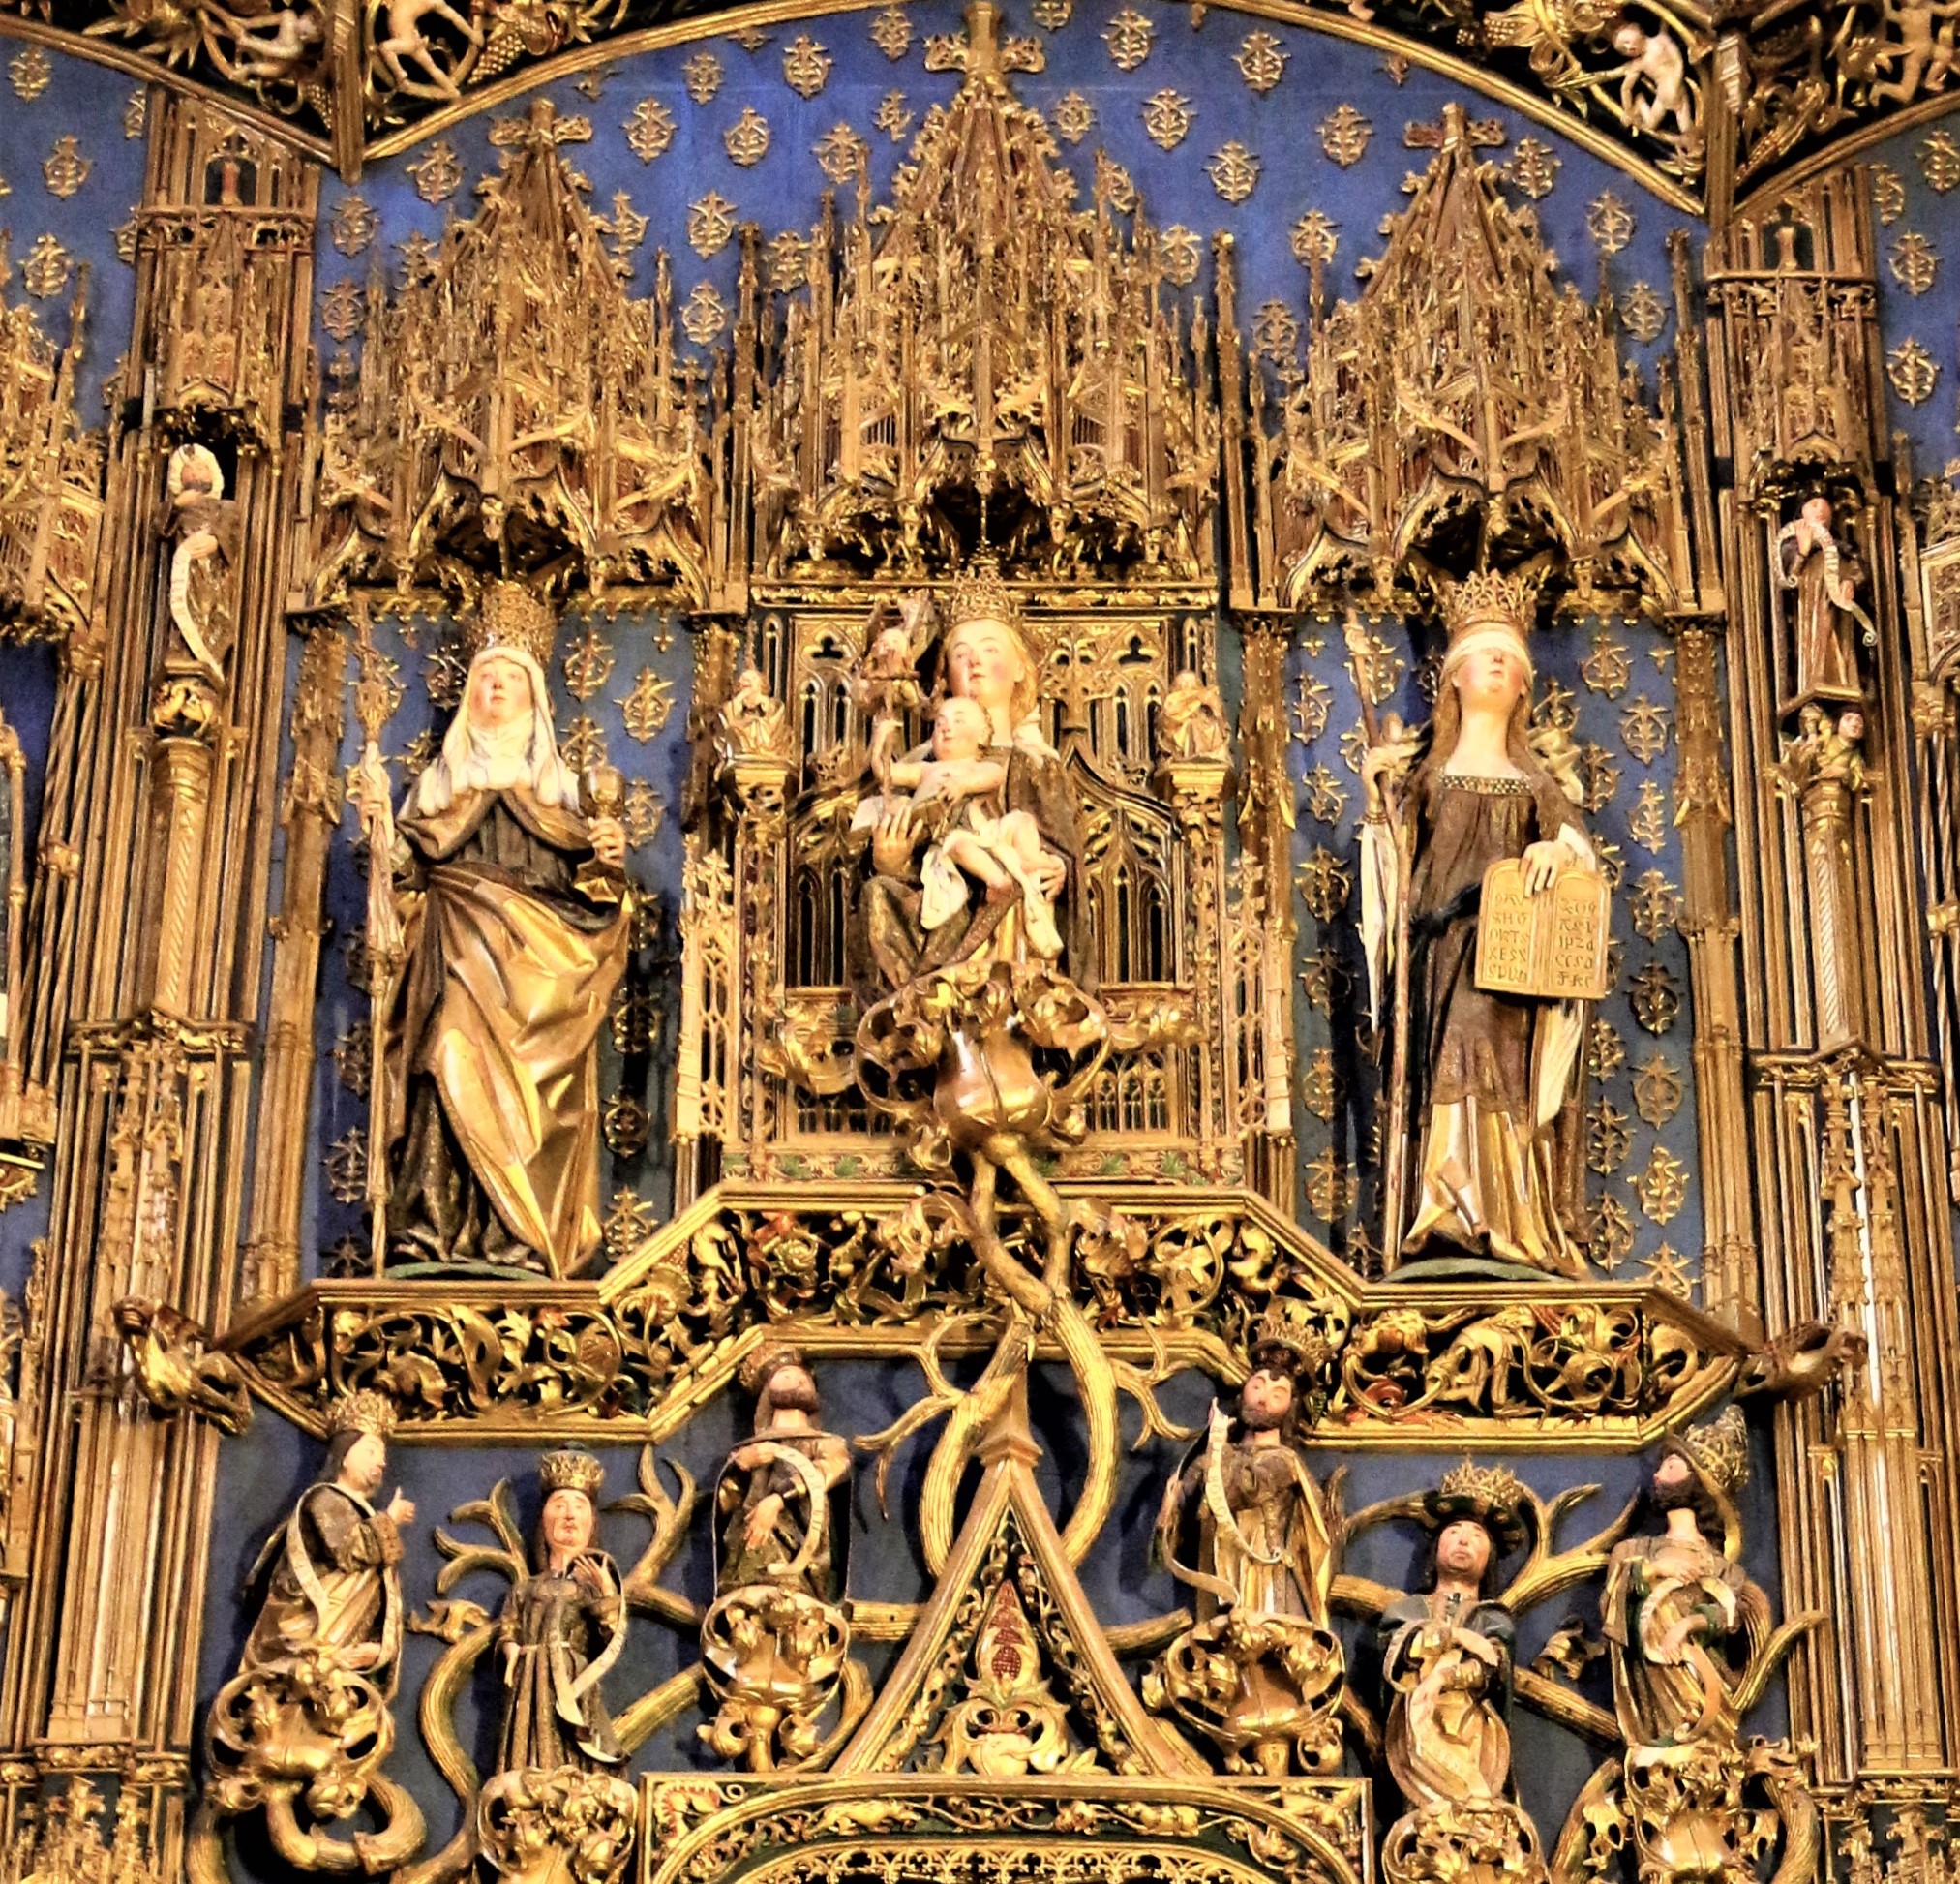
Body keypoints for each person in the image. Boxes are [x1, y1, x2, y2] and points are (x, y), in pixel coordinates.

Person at [351, 602, 630, 1277]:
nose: (496, 686)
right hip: (452, 955)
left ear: (535, 697)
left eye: (510, 676)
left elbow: (596, 909)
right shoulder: (436, 795)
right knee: (443, 1051)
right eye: (485, 676)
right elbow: (401, 886)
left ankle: (516, 1236)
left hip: (537, 971)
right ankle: (431, 1227)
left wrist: (608, 864)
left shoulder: (561, 800)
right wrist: (381, 831)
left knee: (528, 1095)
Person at [1360, 573, 1598, 1276]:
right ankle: (1444, 1206)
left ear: (1522, 687)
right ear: (1454, 679)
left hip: (1513, 961)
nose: (1496, 663)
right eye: (1482, 654)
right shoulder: (1426, 777)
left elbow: (1577, 853)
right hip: (1443, 950)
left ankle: (1509, 1219)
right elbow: (1392, 868)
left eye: (1508, 658)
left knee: (1503, 1070)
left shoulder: (1536, 784)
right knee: (1451, 1056)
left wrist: (1556, 852)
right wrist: (1377, 805)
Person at [851, 569, 1085, 998]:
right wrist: (889, 862)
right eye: (961, 654)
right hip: (935, 894)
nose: (974, 663)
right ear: (943, 675)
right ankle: (910, 1008)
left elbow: (1062, 847)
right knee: (877, 894)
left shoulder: (1036, 766)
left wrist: (1057, 868)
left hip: (1009, 915)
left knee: (1016, 883)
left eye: (990, 650)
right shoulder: (921, 765)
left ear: (1020, 669)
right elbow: (892, 820)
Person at [856, 695, 1064, 959]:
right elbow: (885, 773)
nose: (946, 728)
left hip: (974, 827)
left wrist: (963, 784)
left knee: (1022, 820)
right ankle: (996, 881)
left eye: (959, 721)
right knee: (958, 846)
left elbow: (994, 776)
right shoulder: (925, 769)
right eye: (939, 723)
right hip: (941, 837)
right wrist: (879, 739)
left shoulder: (982, 766)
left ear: (983, 736)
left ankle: (1031, 860)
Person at [1602, 1408, 1758, 1749]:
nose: (1657, 1476)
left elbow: (1730, 1615)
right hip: (1652, 1677)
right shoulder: (1632, 1551)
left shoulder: (1723, 1568)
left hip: (1701, 1678)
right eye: (1660, 1467)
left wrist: (1687, 1625)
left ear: (1699, 1482)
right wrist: (1654, 1570)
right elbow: (1611, 1606)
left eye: (1671, 1467)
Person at [1377, 1465, 1527, 1816]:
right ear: (1436, 1547)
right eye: (1454, 1531)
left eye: (1476, 1535)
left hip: (1472, 1733)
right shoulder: (1406, 1610)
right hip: (1416, 1730)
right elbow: (1398, 1653)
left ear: (1490, 1555)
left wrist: (1445, 1676)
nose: (1463, 1541)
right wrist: (1451, 1636)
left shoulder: (1492, 1617)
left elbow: (1492, 1667)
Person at [238, 1390, 413, 1689]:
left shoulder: (361, 1511)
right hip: (306, 1626)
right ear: (344, 1455)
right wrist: (389, 1520)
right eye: (371, 1451)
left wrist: (376, 1646)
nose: (382, 1462)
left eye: (383, 1456)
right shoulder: (324, 1499)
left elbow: (376, 1590)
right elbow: (348, 1550)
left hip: (341, 1645)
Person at [494, 1447, 626, 1775]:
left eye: (579, 1507)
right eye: (559, 1505)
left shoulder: (594, 1586)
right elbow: (509, 1627)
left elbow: (609, 1639)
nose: (569, 1516)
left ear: (591, 1521)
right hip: (530, 1676)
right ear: (544, 1519)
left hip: (572, 1677)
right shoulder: (526, 1588)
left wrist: (607, 1596)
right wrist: (511, 1649)